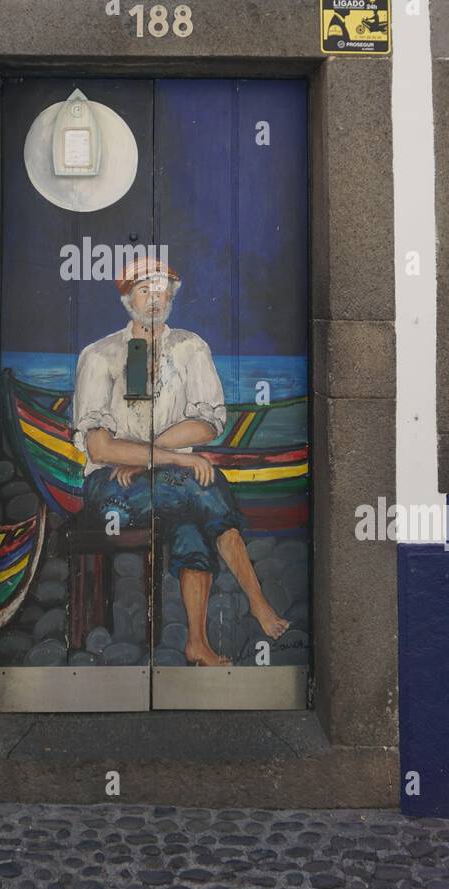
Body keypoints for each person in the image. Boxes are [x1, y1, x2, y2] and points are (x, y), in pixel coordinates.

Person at [72, 256, 289, 666]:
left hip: (171, 481)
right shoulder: (100, 356)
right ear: (126, 299)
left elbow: (209, 422)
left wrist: (144, 458)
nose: (153, 299)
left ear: (172, 294)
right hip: (111, 487)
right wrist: (170, 457)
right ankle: (258, 601)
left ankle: (196, 643)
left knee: (191, 517)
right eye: (143, 290)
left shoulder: (190, 347)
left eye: (161, 289)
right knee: (201, 487)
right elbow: (100, 449)